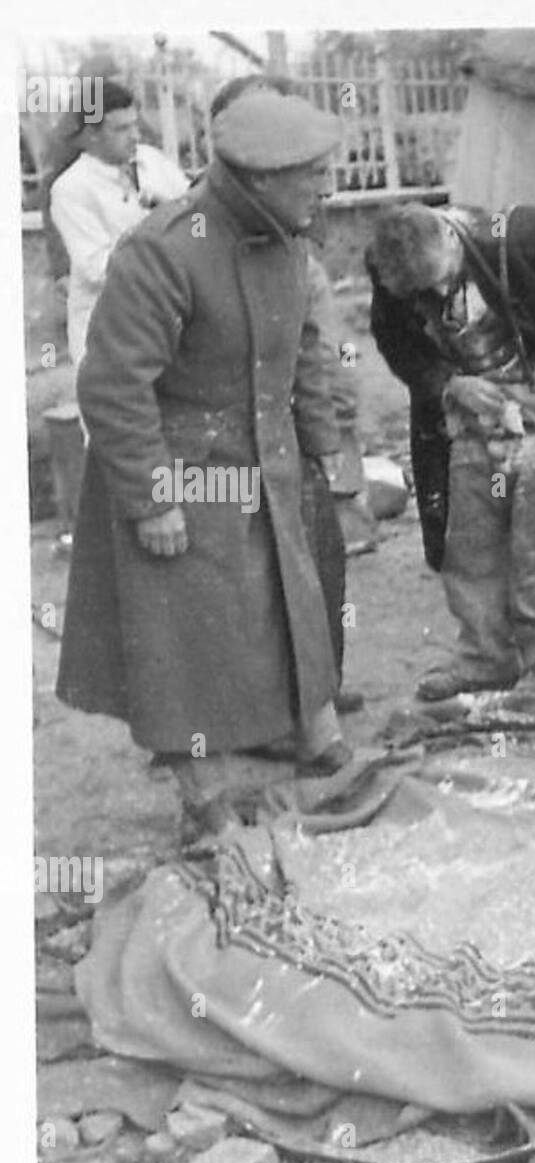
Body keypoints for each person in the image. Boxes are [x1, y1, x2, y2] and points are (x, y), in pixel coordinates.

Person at [55, 92, 352, 844]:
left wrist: (330, 458)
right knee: (186, 638)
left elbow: (306, 360)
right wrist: (153, 498)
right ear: (259, 178)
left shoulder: (289, 238)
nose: (327, 189)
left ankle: (312, 732)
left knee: (286, 604)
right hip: (181, 469)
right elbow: (113, 384)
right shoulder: (163, 249)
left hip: (267, 458)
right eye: (312, 176)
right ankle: (205, 787)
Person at [366, 200, 535, 700]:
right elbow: (395, 342)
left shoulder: (519, 235)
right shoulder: (392, 269)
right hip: (470, 418)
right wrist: (450, 383)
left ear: (452, 240)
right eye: (421, 292)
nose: (435, 294)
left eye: (440, 279)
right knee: (469, 545)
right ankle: (485, 658)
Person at [208, 74, 372, 716]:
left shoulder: (300, 212)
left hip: (304, 357)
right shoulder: (207, 223)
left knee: (322, 545)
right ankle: (263, 706)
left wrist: (328, 428)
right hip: (243, 421)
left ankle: (321, 684)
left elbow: (317, 340)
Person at [49, 79, 190, 370]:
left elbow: (200, 220)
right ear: (92, 135)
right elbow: (95, 268)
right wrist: (160, 227)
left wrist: (184, 218)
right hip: (109, 332)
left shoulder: (153, 161)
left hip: (165, 320)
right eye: (122, 129)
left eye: (135, 125)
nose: (136, 136)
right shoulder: (71, 189)